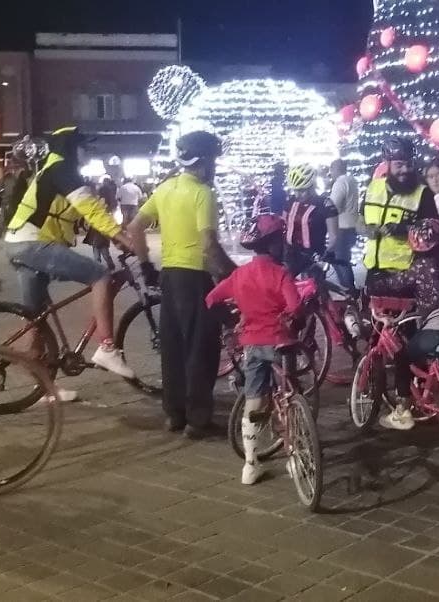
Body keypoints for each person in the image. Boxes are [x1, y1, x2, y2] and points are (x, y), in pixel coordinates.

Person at [4, 127, 140, 383]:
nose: (87, 153)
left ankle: (42, 391)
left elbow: (84, 212)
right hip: (32, 244)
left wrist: (114, 235)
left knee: (36, 319)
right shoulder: (61, 168)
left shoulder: (57, 170)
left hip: (20, 244)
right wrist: (122, 238)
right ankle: (107, 348)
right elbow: (90, 209)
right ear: (69, 147)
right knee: (100, 275)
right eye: (83, 147)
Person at [126, 130, 237, 439]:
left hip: (169, 276)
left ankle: (174, 414)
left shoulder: (166, 188)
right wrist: (233, 273)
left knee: (173, 346)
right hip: (195, 278)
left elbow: (134, 226)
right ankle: (197, 419)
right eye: (214, 159)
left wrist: (146, 264)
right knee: (201, 348)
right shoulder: (203, 192)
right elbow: (209, 245)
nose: (215, 165)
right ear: (204, 161)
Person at [205, 214, 301, 484]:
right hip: (280, 342)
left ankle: (250, 464)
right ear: (273, 243)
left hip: (252, 345)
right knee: (290, 396)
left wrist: (233, 320)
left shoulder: (240, 275)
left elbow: (211, 299)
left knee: (254, 399)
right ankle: (294, 453)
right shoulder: (281, 273)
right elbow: (295, 308)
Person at [366, 219, 439, 430]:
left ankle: (403, 409)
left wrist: (374, 283)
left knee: (403, 355)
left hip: (438, 326)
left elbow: (394, 284)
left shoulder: (419, 267)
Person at [361, 137, 439, 288]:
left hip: (407, 273)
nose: (405, 170)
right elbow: (359, 218)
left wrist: (405, 229)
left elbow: (434, 232)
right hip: (373, 269)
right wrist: (366, 229)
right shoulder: (373, 188)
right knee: (372, 310)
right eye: (399, 165)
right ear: (387, 165)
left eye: (409, 165)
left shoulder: (423, 193)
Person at [280, 164, 338, 278]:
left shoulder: (325, 204)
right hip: (290, 255)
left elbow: (334, 237)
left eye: (302, 190)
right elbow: (282, 225)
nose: (297, 194)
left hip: (314, 257)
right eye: (295, 190)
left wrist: (327, 254)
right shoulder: (291, 201)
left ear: (312, 186)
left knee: (313, 291)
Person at [326, 158, 360, 292]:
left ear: (337, 168)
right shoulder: (352, 181)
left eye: (331, 169)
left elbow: (334, 206)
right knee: (342, 260)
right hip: (351, 226)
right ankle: (350, 290)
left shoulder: (340, 182)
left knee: (340, 261)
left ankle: (349, 291)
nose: (330, 172)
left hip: (341, 227)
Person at [84, 176, 120, 270]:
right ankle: (109, 265)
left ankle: (99, 266)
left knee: (97, 249)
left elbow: (92, 213)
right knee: (103, 249)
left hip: (96, 227)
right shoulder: (110, 204)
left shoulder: (99, 201)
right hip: (103, 229)